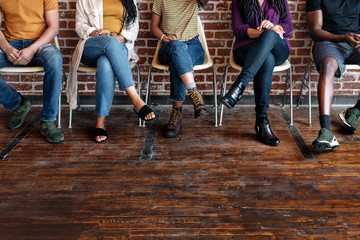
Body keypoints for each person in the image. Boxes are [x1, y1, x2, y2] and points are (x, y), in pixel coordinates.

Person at [68, 0, 156, 143]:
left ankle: (100, 122)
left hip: (118, 46)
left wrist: (118, 38)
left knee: (105, 63)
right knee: (109, 42)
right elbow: (79, 26)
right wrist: (96, 32)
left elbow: (133, 28)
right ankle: (136, 99)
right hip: (92, 44)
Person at [220, 0, 293, 146]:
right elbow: (238, 30)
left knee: (270, 35)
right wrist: (262, 33)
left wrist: (273, 28)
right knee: (266, 59)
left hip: (277, 46)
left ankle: (239, 86)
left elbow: (289, 27)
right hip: (247, 49)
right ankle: (262, 121)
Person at [0, 0, 64, 143]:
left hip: (40, 44)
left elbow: (54, 28)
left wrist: (32, 49)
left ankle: (48, 120)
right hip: (12, 45)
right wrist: (7, 48)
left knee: (54, 59)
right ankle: (17, 103)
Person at [306, 0, 360, 153]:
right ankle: (326, 132)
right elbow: (315, 31)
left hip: (354, 43)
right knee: (328, 65)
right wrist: (342, 38)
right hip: (328, 42)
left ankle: (355, 111)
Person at [151, 0, 209, 138]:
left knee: (176, 63)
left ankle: (176, 113)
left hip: (193, 46)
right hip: (169, 46)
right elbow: (153, 26)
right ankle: (194, 92)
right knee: (177, 47)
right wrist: (164, 38)